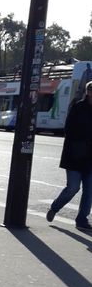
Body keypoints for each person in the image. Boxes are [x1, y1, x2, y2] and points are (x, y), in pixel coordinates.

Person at [46, 80, 92, 231]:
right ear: (88, 92)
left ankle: (82, 220)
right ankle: (55, 207)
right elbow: (69, 129)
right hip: (75, 155)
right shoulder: (78, 107)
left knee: (89, 190)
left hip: (90, 158)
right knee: (73, 188)